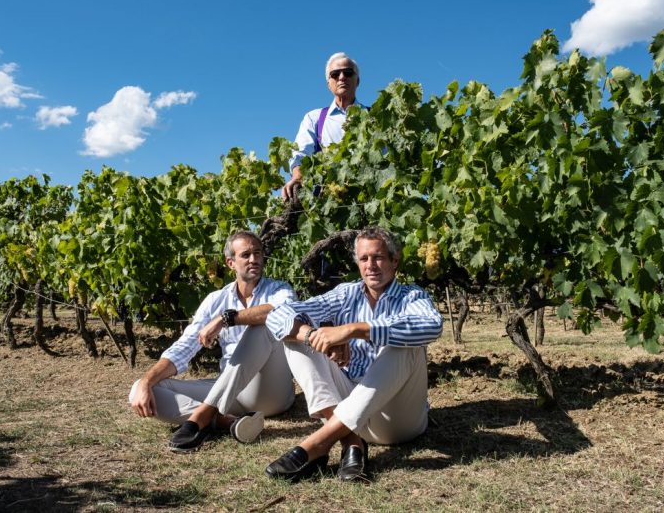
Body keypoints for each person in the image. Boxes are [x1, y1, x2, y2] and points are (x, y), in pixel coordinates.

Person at [264, 227, 443, 482]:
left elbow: (432, 325)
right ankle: (351, 441)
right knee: (295, 339)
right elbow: (277, 315)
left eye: (378, 257)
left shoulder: (411, 296)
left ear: (394, 261)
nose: (371, 265)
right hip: (350, 410)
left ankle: (319, 442)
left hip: (396, 421)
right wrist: (315, 336)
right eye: (364, 258)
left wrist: (352, 330)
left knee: (404, 344)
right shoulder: (346, 294)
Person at [128, 231, 296, 452]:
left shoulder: (279, 289)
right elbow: (185, 346)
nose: (253, 259)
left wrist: (227, 319)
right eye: (245, 255)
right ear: (230, 263)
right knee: (141, 389)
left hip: (270, 390)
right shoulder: (215, 300)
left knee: (264, 323)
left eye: (257, 253)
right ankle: (227, 421)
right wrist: (147, 381)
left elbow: (284, 312)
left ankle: (200, 418)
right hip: (231, 392)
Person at [282, 52, 363, 201]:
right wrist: (298, 176)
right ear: (328, 84)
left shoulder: (374, 117)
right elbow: (301, 153)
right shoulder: (314, 118)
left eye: (348, 72)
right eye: (335, 74)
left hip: (367, 197)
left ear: (357, 81)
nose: (342, 77)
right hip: (327, 200)